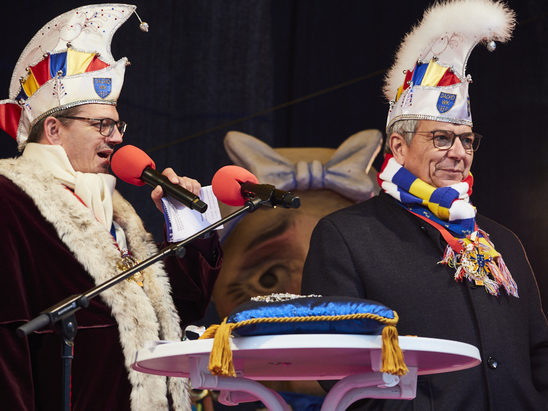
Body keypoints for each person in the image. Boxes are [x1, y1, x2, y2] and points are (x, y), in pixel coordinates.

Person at [301, 1, 548, 410]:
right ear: (398, 146)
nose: (458, 153)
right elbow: (337, 364)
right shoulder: (347, 236)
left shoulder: (500, 240)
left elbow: (539, 351)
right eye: (441, 138)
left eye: (466, 139)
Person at [0, 5, 221, 411]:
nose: (116, 138)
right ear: (53, 129)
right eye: (101, 125)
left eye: (117, 125)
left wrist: (189, 228)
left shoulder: (118, 212)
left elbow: (169, 318)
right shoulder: (9, 199)